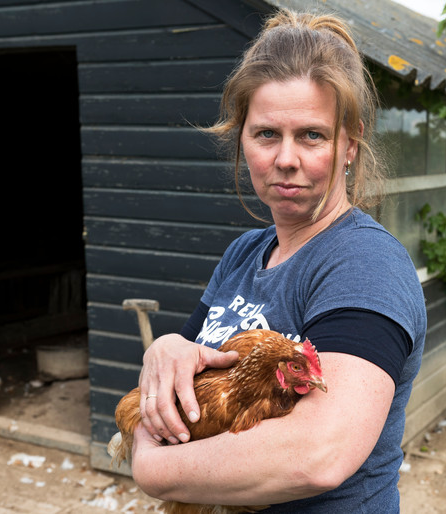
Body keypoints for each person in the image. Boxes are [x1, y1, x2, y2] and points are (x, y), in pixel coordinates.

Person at [131, 9, 426, 513]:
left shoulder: (364, 264)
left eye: (311, 135)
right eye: (267, 134)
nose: (286, 158)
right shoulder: (245, 251)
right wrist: (166, 347)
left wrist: (153, 467)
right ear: (240, 138)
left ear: (349, 143)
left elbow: (318, 454)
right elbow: (192, 368)